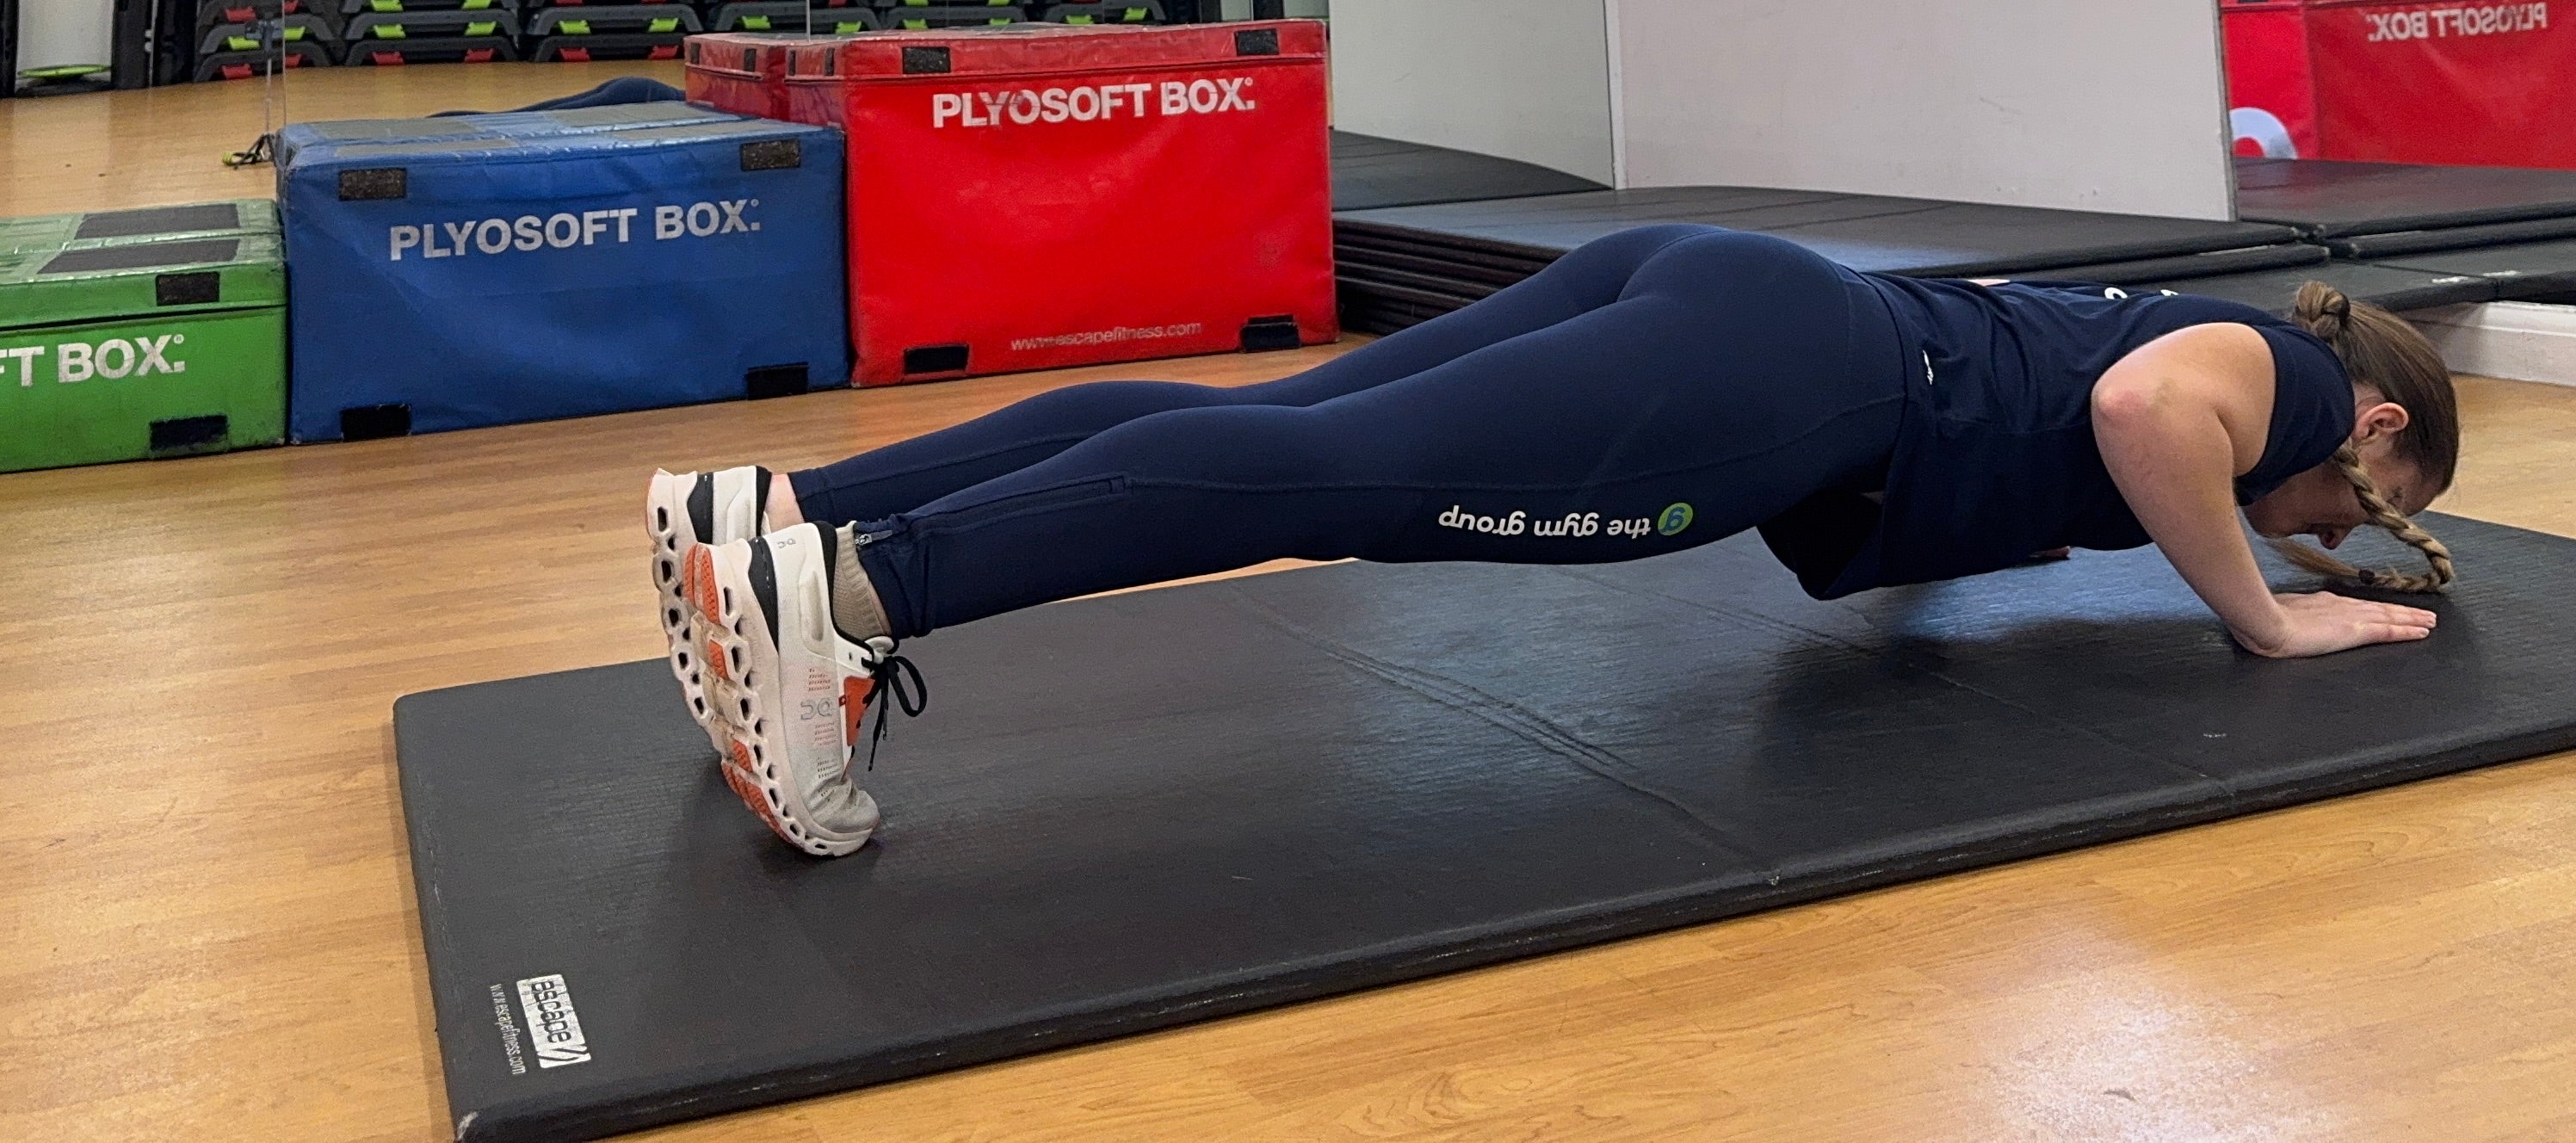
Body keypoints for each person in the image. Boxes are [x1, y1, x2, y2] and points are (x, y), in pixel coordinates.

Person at [646, 226, 2460, 858]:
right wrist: (2270, 629)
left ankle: (783, 518)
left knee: (1274, 429)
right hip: (1785, 375)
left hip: (1747, 305)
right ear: (2371, 425)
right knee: (1324, 482)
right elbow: (2153, 433)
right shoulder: (2287, 384)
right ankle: (848, 606)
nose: (2313, 525)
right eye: (2354, 507)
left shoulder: (2221, 348)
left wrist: (2301, 568)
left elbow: (2098, 422)